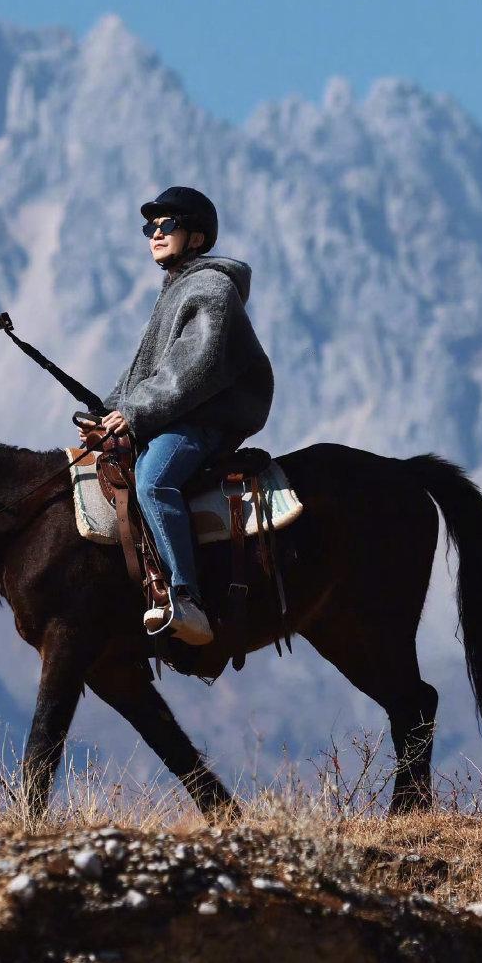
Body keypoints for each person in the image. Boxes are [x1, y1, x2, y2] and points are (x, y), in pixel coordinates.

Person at [90, 186, 274, 646]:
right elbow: (145, 371)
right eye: (148, 227)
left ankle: (185, 597)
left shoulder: (211, 288)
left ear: (196, 237)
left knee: (154, 480)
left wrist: (131, 413)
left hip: (204, 421)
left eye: (166, 225)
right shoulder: (176, 290)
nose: (154, 233)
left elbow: (195, 368)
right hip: (171, 415)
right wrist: (107, 411)